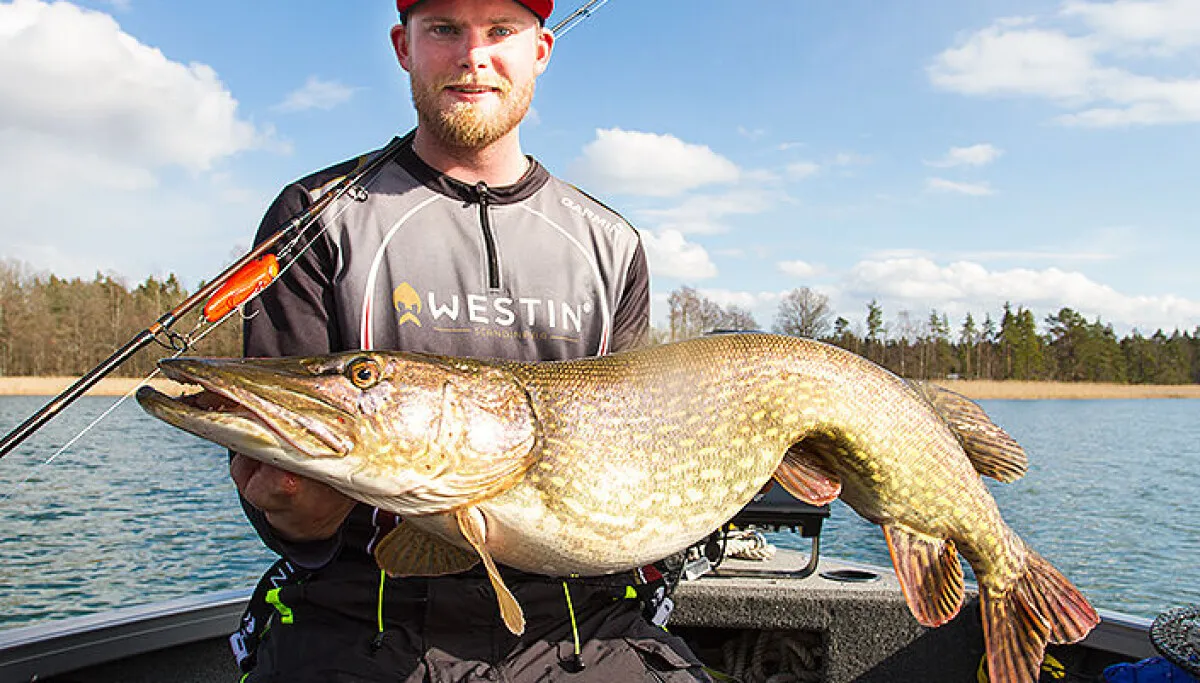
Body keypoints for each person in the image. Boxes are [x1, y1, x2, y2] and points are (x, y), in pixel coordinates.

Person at [229, 0, 711, 680]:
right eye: (445, 29)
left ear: (540, 50)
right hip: (362, 620)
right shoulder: (315, 217)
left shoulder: (610, 242)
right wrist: (293, 511)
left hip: (578, 623)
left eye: (501, 31)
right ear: (404, 46)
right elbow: (292, 517)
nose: (472, 54)